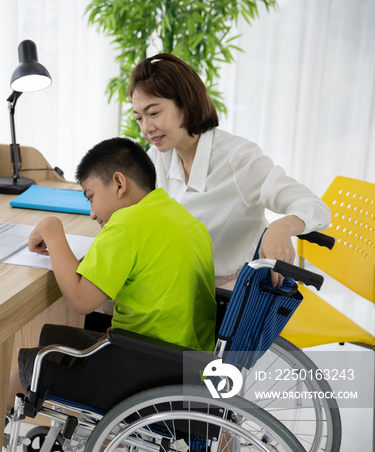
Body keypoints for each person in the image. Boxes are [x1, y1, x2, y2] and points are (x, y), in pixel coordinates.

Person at [0, 137, 217, 447]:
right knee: (54, 339)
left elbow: (80, 301)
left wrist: (52, 228)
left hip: (145, 372)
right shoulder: (182, 218)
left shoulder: (126, 226)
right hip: (183, 364)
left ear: (119, 183)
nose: (92, 213)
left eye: (91, 196)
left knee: (36, 360)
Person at [128, 53, 331, 289]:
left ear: (186, 104)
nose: (146, 128)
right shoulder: (157, 158)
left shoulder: (238, 159)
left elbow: (314, 207)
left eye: (153, 113)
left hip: (230, 294)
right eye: (139, 118)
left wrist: (281, 227)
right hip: (176, 286)